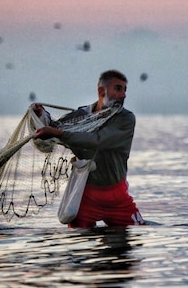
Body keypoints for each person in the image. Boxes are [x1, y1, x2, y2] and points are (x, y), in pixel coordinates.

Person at [34, 69, 146, 228]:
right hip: (85, 195)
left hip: (117, 196)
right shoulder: (81, 115)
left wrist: (59, 133)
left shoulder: (125, 118)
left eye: (125, 90)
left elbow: (98, 140)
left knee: (135, 235)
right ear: (102, 91)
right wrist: (41, 116)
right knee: (78, 244)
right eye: (118, 89)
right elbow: (54, 127)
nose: (124, 95)